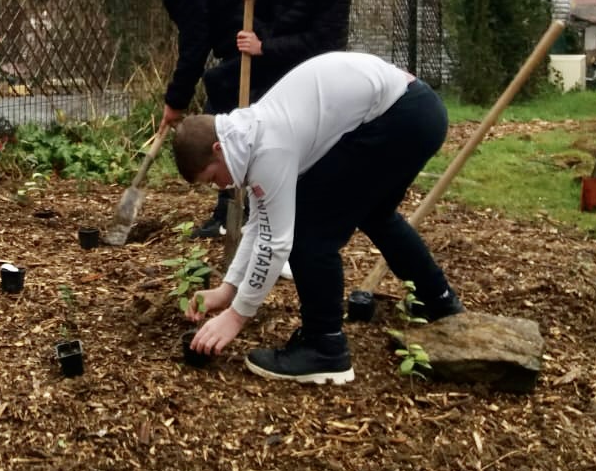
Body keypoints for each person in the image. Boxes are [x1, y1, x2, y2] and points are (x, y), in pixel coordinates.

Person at [170, 51, 463, 384]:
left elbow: (276, 241)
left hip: (403, 116)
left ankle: (325, 348)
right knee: (375, 214)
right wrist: (227, 291)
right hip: (415, 110)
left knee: (310, 228)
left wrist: (236, 317)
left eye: (212, 178)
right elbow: (258, 223)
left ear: (218, 150)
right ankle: (440, 303)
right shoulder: (247, 134)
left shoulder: (267, 147)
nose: (219, 186)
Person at [131, 0, 245, 237]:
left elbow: (194, 50)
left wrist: (175, 102)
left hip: (249, 55)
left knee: (216, 131)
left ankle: (228, 218)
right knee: (230, 128)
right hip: (261, 48)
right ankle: (231, 214)